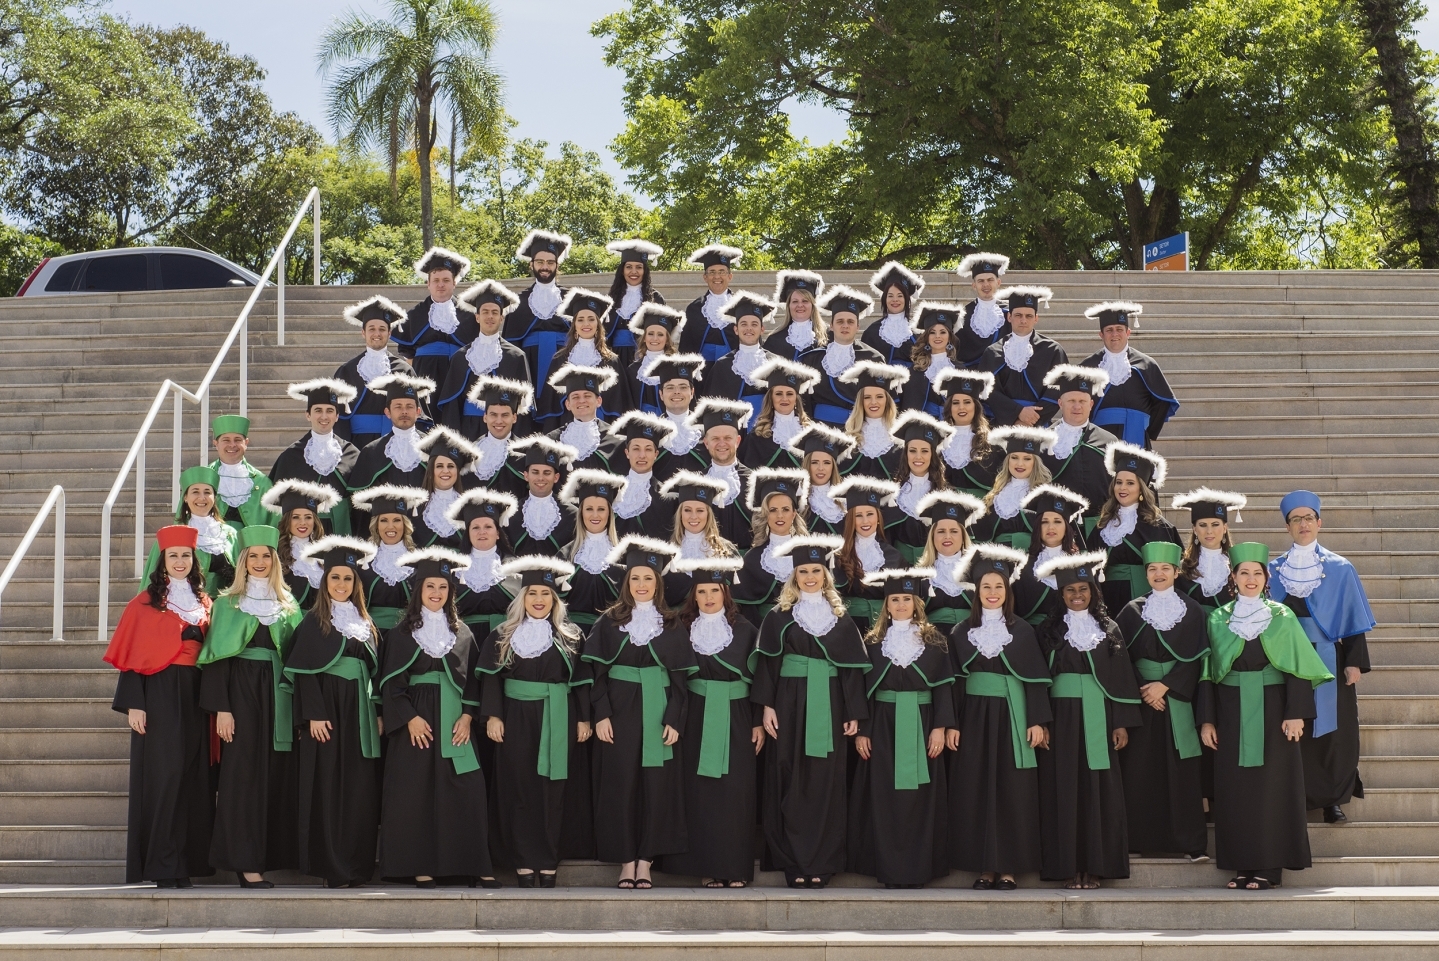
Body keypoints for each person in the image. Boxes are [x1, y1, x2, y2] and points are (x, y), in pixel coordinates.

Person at [1201, 542, 1333, 891]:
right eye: (1244, 572)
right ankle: (1241, 865)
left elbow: (1297, 668)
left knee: (1273, 789)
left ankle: (1270, 868)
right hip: (1230, 713)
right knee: (1235, 791)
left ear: (1266, 578)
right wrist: (1208, 720)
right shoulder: (1218, 619)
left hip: (1275, 713)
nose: (1251, 579)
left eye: (1257, 573)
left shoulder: (1281, 616)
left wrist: (1296, 713)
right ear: (1233, 577)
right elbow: (1207, 674)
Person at [376, 547, 499, 888]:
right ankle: (420, 865)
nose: (436, 593)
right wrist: (409, 718)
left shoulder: (463, 633)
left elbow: (473, 681)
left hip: (454, 721)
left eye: (443, 587)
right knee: (414, 793)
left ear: (450, 592)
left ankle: (471, 863)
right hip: (416, 722)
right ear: (418, 590)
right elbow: (390, 683)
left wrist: (468, 716)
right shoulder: (401, 634)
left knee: (466, 790)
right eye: (430, 586)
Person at [750, 535, 868, 888]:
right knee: (788, 776)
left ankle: (821, 862)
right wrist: (766, 707)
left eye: (816, 571)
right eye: (803, 571)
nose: (810, 577)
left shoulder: (841, 620)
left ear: (826, 575)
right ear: (794, 576)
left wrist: (854, 712)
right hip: (788, 703)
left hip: (829, 704)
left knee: (825, 780)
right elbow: (768, 665)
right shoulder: (779, 617)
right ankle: (793, 862)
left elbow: (851, 670)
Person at [583, 536, 696, 889]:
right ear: (626, 582)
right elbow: (595, 675)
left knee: (656, 787)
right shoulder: (608, 622)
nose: (642, 584)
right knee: (620, 785)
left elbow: (680, 681)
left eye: (649, 578)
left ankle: (645, 861)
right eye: (635, 578)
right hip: (618, 714)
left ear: (659, 583)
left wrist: (674, 719)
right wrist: (601, 714)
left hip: (658, 712)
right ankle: (625, 861)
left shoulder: (672, 624)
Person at [104, 525, 213, 888]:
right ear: (162, 560)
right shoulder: (143, 603)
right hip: (160, 693)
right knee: (165, 777)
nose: (180, 561)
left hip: (197, 694)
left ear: (194, 559)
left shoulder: (205, 602)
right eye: (173, 556)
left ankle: (184, 863)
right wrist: (135, 704)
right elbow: (132, 654)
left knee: (192, 778)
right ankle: (162, 865)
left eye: (186, 555)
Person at [197, 525, 303, 888]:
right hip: (241, 697)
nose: (259, 562)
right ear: (242, 561)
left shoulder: (289, 606)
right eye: (252, 556)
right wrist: (222, 709)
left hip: (279, 697)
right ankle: (245, 863)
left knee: (276, 775)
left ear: (275, 561)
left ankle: (268, 856)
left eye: (266, 556)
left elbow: (297, 661)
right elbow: (217, 660)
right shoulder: (227, 604)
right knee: (242, 778)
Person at [476, 557, 593, 887]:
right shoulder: (503, 634)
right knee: (519, 787)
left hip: (559, 716)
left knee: (553, 790)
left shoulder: (571, 635)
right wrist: (493, 715)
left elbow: (582, 681)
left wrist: (584, 718)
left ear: (555, 599)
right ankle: (523, 861)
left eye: (545, 594)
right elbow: (491, 678)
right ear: (522, 598)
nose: (539, 600)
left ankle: (549, 860)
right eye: (532, 593)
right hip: (515, 717)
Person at [1033, 551, 1142, 889]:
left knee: (1098, 789)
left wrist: (1120, 722)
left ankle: (1096, 866)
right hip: (1060, 717)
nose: (1077, 595)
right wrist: (1042, 721)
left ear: (1094, 591)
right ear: (1061, 593)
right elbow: (1037, 679)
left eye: (1083, 589)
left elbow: (1121, 677)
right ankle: (1065, 866)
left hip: (1099, 715)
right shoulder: (1048, 630)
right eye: (1070, 590)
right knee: (1062, 788)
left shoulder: (1109, 629)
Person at [946, 543, 1051, 890]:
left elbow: (1034, 679)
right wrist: (951, 724)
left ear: (1008, 591)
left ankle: (1008, 867)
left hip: (1013, 719)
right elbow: (953, 684)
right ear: (977, 591)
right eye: (986, 586)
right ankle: (983, 867)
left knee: (1013, 791)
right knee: (976, 789)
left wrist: (1037, 720)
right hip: (973, 720)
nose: (993, 592)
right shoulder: (961, 632)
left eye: (999, 586)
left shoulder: (1023, 631)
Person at [1269, 489, 1377, 823]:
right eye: (1295, 519)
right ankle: (1295, 797)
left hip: (1329, 657)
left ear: (1319, 522)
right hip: (1288, 661)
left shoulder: (1341, 568)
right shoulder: (1272, 570)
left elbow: (1353, 617)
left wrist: (1354, 661)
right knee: (1293, 725)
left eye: (1308, 518)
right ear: (1287, 526)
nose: (1303, 524)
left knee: (1332, 732)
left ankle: (1332, 799)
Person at [281, 536, 382, 889]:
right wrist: (313, 714)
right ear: (325, 582)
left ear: (357, 584)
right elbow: (304, 672)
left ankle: (357, 866)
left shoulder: (366, 624)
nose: (341, 584)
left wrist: (378, 713)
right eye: (335, 577)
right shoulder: (314, 622)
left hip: (360, 712)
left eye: (348, 578)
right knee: (328, 786)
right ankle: (333, 867)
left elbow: (375, 673)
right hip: (327, 712)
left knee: (359, 788)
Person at [657, 557, 762, 888]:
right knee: (699, 792)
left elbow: (761, 679)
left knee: (734, 792)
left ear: (725, 593)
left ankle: (734, 868)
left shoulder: (746, 630)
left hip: (736, 714)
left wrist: (758, 721)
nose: (708, 597)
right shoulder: (681, 628)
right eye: (701, 591)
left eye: (714, 590)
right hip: (695, 714)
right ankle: (706, 867)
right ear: (694, 595)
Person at [849, 567, 956, 888]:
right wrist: (864, 730)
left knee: (920, 799)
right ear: (886, 604)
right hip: (882, 726)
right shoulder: (872, 642)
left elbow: (944, 687)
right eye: (894, 599)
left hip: (923, 725)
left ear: (917, 603)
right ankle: (889, 869)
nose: (900, 605)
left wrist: (940, 727)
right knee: (885, 797)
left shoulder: (935, 642)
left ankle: (918, 869)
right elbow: (863, 690)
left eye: (906, 599)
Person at [1116, 541, 1211, 862]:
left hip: (1177, 699)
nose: (1159, 574)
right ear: (1146, 574)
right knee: (1139, 771)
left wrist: (1166, 686)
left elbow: (1198, 658)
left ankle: (1190, 843)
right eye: (1153, 569)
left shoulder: (1192, 610)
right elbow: (1120, 659)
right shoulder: (1131, 611)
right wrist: (1145, 689)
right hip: (1142, 700)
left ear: (1176, 572)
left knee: (1182, 771)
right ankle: (1137, 840)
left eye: (1165, 569)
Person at [1078, 301, 1179, 449]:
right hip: (1098, 436)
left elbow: (1162, 403)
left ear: (1128, 333)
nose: (1115, 334)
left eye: (1119, 329)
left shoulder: (1146, 364)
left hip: (1136, 434)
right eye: (1109, 330)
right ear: (1101, 335)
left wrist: (1145, 427)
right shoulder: (1087, 367)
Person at [1097, 442, 1183, 613]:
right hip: (1106, 597)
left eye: (1130, 483)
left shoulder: (1159, 526)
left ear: (1141, 489)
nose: (1122, 488)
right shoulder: (1103, 524)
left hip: (1142, 597)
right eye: (1119, 482)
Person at [437, 280, 530, 438]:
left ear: (501, 318)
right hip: (468, 429)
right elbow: (452, 406)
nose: (490, 316)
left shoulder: (516, 357)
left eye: (495, 312)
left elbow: (522, 407)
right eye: (485, 312)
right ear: (477, 317)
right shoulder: (461, 357)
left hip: (502, 430)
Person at [270, 379, 360, 536]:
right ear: (308, 415)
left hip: (343, 529)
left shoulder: (351, 453)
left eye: (329, 411)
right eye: (318, 410)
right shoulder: (291, 456)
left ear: (337, 416)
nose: (324, 416)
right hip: (303, 531)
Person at [1040, 365, 1119, 532]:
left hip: (1100, 525)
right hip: (1058, 527)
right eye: (1071, 401)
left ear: (1091, 404)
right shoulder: (1043, 440)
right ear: (1060, 403)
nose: (1077, 407)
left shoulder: (1109, 441)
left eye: (1082, 401)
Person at [534, 288, 625, 429]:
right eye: (580, 320)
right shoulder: (560, 359)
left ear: (598, 324)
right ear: (574, 325)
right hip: (567, 423)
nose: (586, 324)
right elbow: (552, 406)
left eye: (591, 319)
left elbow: (617, 404)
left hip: (602, 426)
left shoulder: (611, 361)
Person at [334, 295, 415, 449]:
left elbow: (417, 414)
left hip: (396, 443)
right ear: (363, 332)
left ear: (389, 333)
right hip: (357, 445)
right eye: (371, 329)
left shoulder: (404, 370)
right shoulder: (347, 371)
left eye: (382, 329)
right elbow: (338, 419)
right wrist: (347, 451)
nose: (377, 333)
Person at [733, 468, 810, 626]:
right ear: (765, 514)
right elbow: (747, 611)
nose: (780, 516)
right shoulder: (752, 559)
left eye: (785, 509)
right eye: (773, 510)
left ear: (794, 514)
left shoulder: (810, 555)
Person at [799, 285, 883, 427]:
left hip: (859, 428)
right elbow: (804, 401)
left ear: (857, 327)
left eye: (850, 322)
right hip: (821, 428)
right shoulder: (812, 359)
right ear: (831, 325)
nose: (845, 326)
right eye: (840, 321)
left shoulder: (873, 358)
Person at [144, 466, 236, 597]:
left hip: (225, 606)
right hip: (185, 605)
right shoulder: (171, 535)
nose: (202, 497)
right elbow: (154, 580)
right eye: (195, 492)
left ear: (214, 497)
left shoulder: (230, 534)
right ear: (185, 497)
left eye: (207, 492)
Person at [983, 285, 1066, 428]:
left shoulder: (1053, 350)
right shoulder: (992, 352)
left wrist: (1032, 419)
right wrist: (1017, 414)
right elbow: (988, 391)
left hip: (1038, 425)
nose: (1023, 320)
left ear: (1036, 318)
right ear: (1009, 317)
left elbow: (1057, 390)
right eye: (1018, 315)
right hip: (1003, 425)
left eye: (1029, 316)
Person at [829, 477, 904, 634]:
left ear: (878, 518)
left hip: (885, 627)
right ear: (851, 520)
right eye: (858, 515)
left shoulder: (894, 556)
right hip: (847, 626)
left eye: (870, 514)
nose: (865, 521)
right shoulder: (836, 555)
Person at [442, 489, 518, 643]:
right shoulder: (452, 570)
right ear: (468, 534)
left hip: (506, 639)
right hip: (464, 641)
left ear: (498, 533)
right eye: (475, 527)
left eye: (488, 527)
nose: (482, 532)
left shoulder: (517, 567)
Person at [349, 485, 427, 631]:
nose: (390, 526)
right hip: (371, 633)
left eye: (396, 520)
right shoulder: (362, 561)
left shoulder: (421, 561)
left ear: (405, 524)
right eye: (384, 520)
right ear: (376, 525)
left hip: (409, 633)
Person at [503, 229, 573, 390]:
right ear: (531, 264)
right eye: (540, 262)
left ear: (557, 265)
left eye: (550, 262)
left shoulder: (571, 299)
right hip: (529, 367)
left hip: (564, 364)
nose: (545, 267)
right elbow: (511, 347)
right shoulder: (519, 302)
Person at [396, 247, 478, 387]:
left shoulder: (469, 315)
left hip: (459, 373)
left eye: (446, 280)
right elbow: (407, 353)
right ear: (428, 284)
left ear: (454, 283)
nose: (441, 284)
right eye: (436, 280)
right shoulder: (415, 315)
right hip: (424, 374)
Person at [558, 470, 627, 630]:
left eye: (601, 509)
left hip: (611, 633)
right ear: (581, 512)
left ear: (609, 513)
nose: (595, 515)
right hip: (572, 633)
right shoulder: (566, 554)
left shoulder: (624, 556)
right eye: (589, 509)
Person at [1012, 484, 1090, 627]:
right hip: (1034, 634)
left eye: (1057, 521)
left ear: (1067, 527)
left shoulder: (1082, 566)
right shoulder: (1022, 567)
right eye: (1044, 522)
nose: (1051, 527)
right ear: (1037, 527)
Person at [972, 426, 1057, 551]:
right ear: (1008, 461)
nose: (1020, 464)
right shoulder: (995, 495)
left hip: (1033, 555)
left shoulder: (1045, 495)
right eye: (1014, 457)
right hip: (998, 557)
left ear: (1035, 463)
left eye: (1027, 459)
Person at [660, 471, 738, 606]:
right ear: (680, 513)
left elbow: (734, 597)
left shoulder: (727, 549)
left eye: (700, 510)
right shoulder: (666, 553)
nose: (693, 516)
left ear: (708, 514)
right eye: (687, 510)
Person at [347, 373, 435, 493]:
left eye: (409, 406)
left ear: (418, 412)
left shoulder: (433, 448)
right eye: (398, 406)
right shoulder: (371, 452)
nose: (404, 411)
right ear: (387, 412)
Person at [261, 480, 341, 610]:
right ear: (287, 520)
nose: (303, 522)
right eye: (295, 517)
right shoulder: (274, 551)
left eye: (308, 517)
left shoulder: (327, 553)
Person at [888, 411, 956, 564]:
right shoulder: (893, 495)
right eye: (912, 451)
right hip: (899, 566)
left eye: (924, 451)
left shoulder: (948, 494)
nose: (918, 457)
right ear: (906, 454)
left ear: (933, 455)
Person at [703, 291, 778, 422]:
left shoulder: (775, 363)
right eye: (743, 324)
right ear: (736, 330)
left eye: (754, 324)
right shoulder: (723, 365)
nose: (749, 329)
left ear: (762, 329)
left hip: (766, 426)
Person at [916, 491, 985, 627]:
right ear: (932, 536)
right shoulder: (920, 576)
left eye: (954, 531)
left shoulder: (979, 572)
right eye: (941, 531)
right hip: (933, 636)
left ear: (963, 536)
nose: (947, 536)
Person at [693, 398, 755, 547]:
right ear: (706, 443)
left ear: (738, 441)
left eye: (728, 438)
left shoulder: (754, 481)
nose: (722, 443)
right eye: (715, 438)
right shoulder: (695, 483)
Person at [1172, 488, 1246, 613]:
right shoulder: (1182, 567)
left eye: (1215, 524)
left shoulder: (1237, 566)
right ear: (1195, 529)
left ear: (1225, 528)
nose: (1209, 531)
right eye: (1203, 525)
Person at [607, 411, 678, 540]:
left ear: (656, 454)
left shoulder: (666, 498)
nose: (642, 455)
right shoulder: (610, 491)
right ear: (627, 453)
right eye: (636, 448)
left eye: (648, 449)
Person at [504, 436, 579, 557]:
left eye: (547, 473)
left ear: (556, 477)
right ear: (526, 475)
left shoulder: (572, 514)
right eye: (535, 472)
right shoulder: (510, 514)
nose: (540, 478)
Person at [463, 375, 535, 498]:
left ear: (514, 418)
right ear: (485, 417)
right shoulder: (468, 452)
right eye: (493, 415)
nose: (499, 421)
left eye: (505, 415)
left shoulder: (527, 454)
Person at [412, 427, 483, 549]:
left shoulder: (470, 508)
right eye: (439, 466)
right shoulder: (415, 506)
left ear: (458, 471)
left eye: (451, 466)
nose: (445, 471)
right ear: (431, 470)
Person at [741, 357, 819, 469]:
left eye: (789, 394)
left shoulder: (809, 432)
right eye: (778, 394)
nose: (784, 399)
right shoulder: (757, 435)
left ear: (796, 399)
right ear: (771, 398)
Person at [934, 368, 1001, 497]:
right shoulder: (937, 440)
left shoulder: (991, 442)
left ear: (976, 406)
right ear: (949, 407)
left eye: (967, 402)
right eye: (955, 403)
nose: (961, 407)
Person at [546, 364, 623, 473]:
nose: (581, 401)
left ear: (598, 401)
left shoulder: (615, 438)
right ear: (568, 404)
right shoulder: (552, 440)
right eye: (575, 397)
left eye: (587, 396)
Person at [840, 361, 910, 479]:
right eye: (867, 397)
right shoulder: (847, 437)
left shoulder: (901, 438)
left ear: (887, 400)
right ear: (860, 401)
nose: (873, 402)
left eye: (879, 397)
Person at [605, 239, 666, 371]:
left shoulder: (655, 298)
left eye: (639, 267)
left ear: (645, 271)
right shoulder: (611, 298)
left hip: (644, 355)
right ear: (622, 270)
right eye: (629, 267)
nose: (634, 271)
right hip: (614, 355)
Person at [645, 353, 709, 479]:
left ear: (692, 392)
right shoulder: (650, 433)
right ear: (661, 394)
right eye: (670, 387)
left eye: (683, 387)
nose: (677, 392)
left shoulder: (707, 431)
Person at [788, 422, 856, 537]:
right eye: (814, 462)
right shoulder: (795, 496)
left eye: (827, 463)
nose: (821, 468)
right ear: (807, 464)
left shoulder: (846, 500)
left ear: (833, 466)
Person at [209, 415, 275, 532]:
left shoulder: (262, 482)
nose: (232, 445)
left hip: (252, 542)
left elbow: (274, 524)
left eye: (238, 440)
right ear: (216, 443)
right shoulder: (204, 478)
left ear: (246, 443)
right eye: (226, 440)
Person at [680, 244, 744, 363]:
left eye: (722, 272)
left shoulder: (742, 306)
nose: (717, 276)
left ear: (730, 276)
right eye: (712, 272)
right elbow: (686, 346)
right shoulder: (694, 308)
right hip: (701, 369)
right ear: (705, 277)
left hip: (732, 367)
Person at [902, 304, 964, 417]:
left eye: (943, 332)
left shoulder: (960, 370)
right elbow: (910, 405)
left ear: (950, 337)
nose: (937, 336)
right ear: (926, 337)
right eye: (932, 332)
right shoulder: (915, 371)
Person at [627, 303, 686, 414]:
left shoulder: (677, 368)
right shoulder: (633, 370)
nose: (655, 338)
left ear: (667, 339)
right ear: (644, 338)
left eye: (660, 334)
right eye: (650, 334)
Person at [863, 261, 925, 367]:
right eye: (890, 296)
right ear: (885, 299)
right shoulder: (871, 332)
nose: (895, 300)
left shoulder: (918, 333)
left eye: (900, 296)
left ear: (906, 299)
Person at [954, 253, 1011, 367]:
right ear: (974, 285)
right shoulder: (962, 315)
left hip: (1002, 372)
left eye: (990, 280)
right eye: (981, 281)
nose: (986, 285)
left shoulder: (1011, 313)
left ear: (998, 282)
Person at [762, 270, 826, 362]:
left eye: (805, 301)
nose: (800, 305)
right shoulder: (774, 339)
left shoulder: (829, 335)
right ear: (789, 306)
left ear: (812, 305)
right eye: (795, 301)